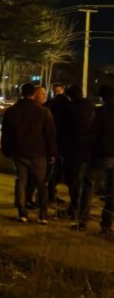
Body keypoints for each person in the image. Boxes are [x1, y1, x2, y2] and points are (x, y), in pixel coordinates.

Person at [1, 84, 57, 224]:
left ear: (21, 92)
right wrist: (52, 153)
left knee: (21, 182)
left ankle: (22, 212)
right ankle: (42, 215)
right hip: (38, 153)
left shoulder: (12, 111)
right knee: (41, 183)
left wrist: (6, 150)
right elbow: (50, 135)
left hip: (19, 152)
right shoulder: (44, 112)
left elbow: (6, 133)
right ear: (34, 94)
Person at [77, 84, 114, 234]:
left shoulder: (100, 113)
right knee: (112, 192)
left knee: (88, 186)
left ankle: (82, 221)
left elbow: (91, 134)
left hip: (100, 156)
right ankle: (106, 225)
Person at [63, 84, 96, 220]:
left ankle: (75, 207)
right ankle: (80, 209)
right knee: (87, 182)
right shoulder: (91, 106)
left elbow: (63, 128)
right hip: (88, 149)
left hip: (73, 149)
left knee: (72, 180)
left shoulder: (69, 108)